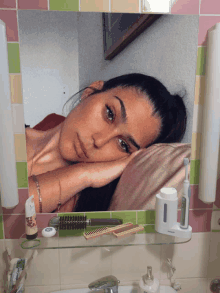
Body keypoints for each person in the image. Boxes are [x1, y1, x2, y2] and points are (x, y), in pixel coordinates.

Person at [25, 73, 187, 213]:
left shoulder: (76, 198)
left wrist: (83, 175)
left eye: (123, 145)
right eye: (110, 113)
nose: (99, 141)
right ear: (90, 91)